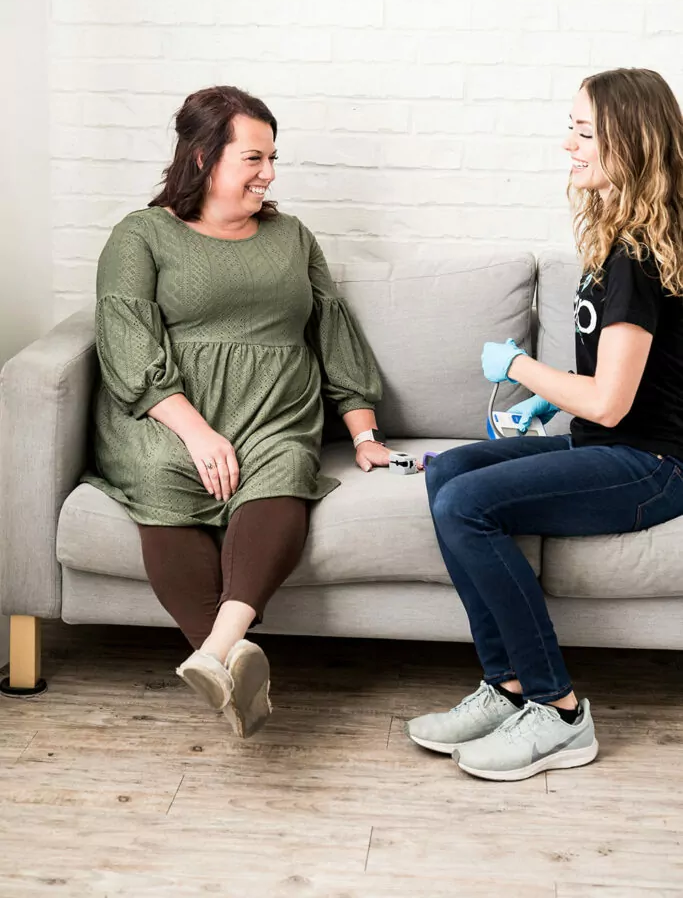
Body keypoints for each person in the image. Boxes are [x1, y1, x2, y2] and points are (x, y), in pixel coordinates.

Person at [84, 86, 388, 737]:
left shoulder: (291, 237)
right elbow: (125, 337)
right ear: (201, 157)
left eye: (272, 157)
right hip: (167, 412)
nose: (269, 173)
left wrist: (362, 432)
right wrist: (196, 432)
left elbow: (332, 332)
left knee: (279, 476)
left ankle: (215, 653)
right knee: (164, 482)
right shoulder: (141, 235)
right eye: (253, 157)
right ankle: (230, 663)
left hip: (276, 409)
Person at [406, 68, 683, 781]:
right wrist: (546, 402)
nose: (568, 145)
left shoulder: (639, 255)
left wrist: (518, 370)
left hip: (652, 465)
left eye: (584, 132)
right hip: (612, 443)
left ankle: (557, 712)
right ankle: (505, 690)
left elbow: (613, 404)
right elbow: (612, 384)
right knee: (447, 470)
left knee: (467, 505)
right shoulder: (617, 241)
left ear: (631, 138)